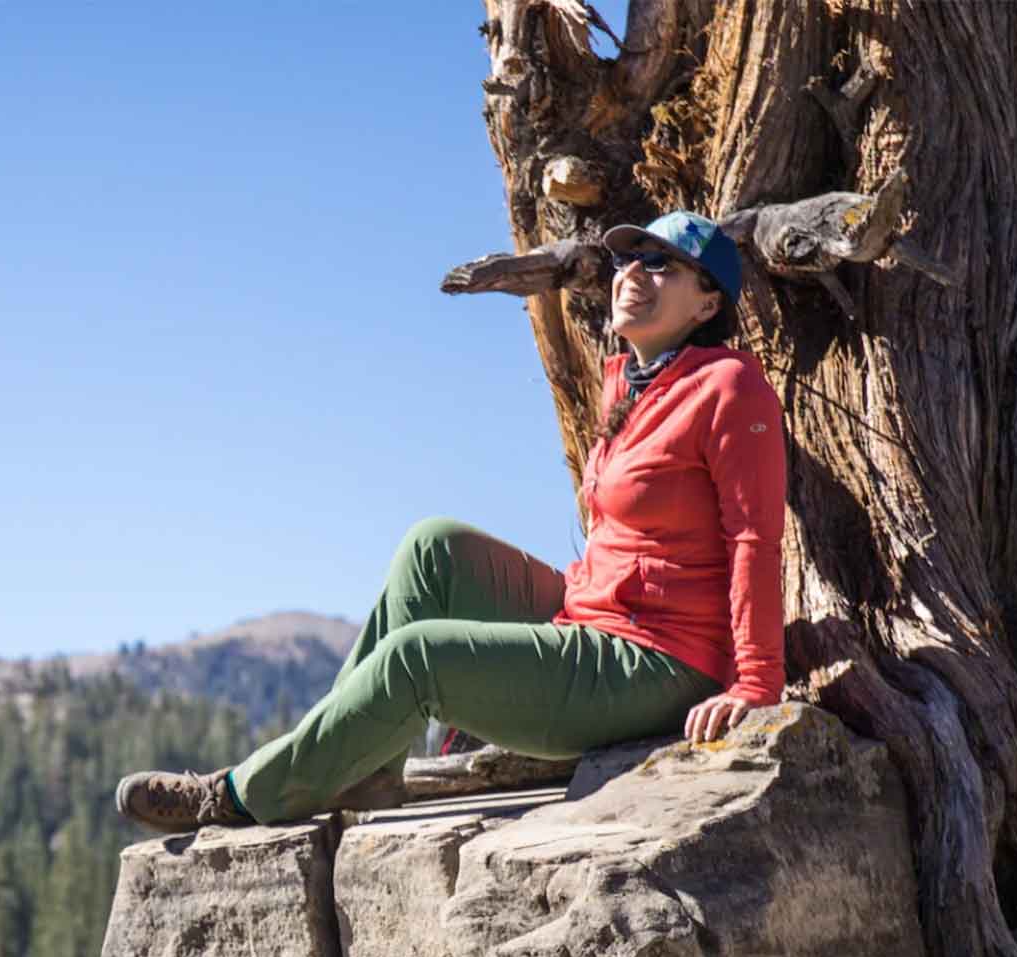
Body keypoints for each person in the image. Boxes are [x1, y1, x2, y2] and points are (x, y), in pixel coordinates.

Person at [115, 211, 787, 833]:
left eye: (662, 265)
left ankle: (238, 795)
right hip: (595, 615)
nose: (633, 274)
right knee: (433, 547)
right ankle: (366, 770)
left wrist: (756, 682)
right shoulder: (629, 385)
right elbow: (624, 540)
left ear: (707, 303)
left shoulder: (730, 386)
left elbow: (755, 538)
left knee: (420, 659)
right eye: (628, 260)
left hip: (657, 661)